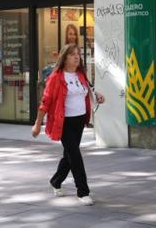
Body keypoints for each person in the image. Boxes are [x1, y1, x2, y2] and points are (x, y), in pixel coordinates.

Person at [31, 43, 105, 206]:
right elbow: (45, 102)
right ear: (64, 58)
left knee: (69, 155)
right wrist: (37, 124)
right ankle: (83, 192)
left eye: (78, 54)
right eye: (72, 54)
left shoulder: (80, 74)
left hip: (79, 120)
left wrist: (97, 95)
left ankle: (55, 181)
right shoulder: (56, 77)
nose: (77, 57)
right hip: (63, 121)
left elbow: (88, 90)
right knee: (75, 155)